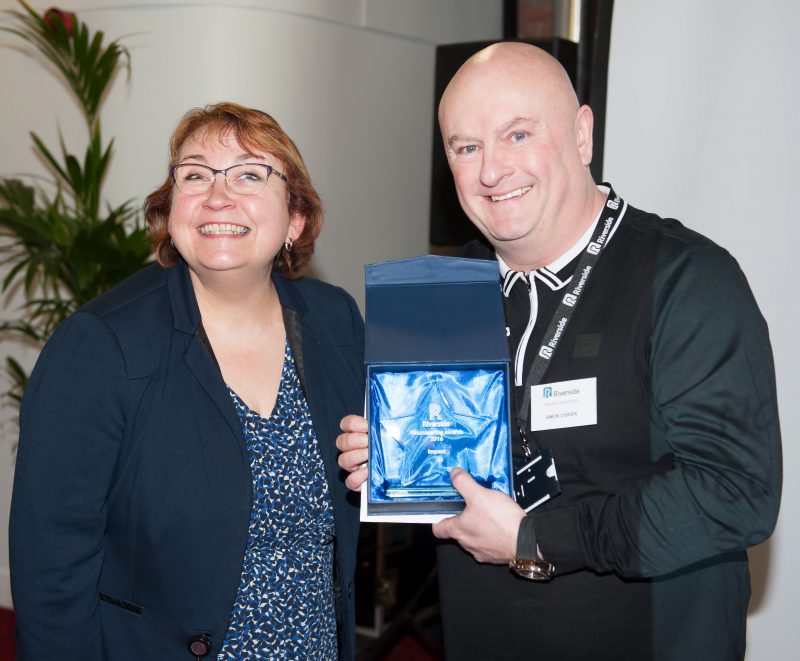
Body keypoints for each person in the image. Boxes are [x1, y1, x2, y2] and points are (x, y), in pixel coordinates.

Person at [337, 42, 782, 660]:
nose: (491, 170)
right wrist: (390, 459)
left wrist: (534, 538)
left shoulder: (686, 279)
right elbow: (451, 485)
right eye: (466, 147)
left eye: (517, 135)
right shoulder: (436, 293)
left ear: (581, 134)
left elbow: (735, 494)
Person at [10, 102, 364, 660]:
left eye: (250, 174)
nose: (218, 197)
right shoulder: (100, 343)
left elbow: (365, 486)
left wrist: (384, 468)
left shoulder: (335, 319)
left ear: (295, 218)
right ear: (171, 210)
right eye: (195, 175)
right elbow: (49, 560)